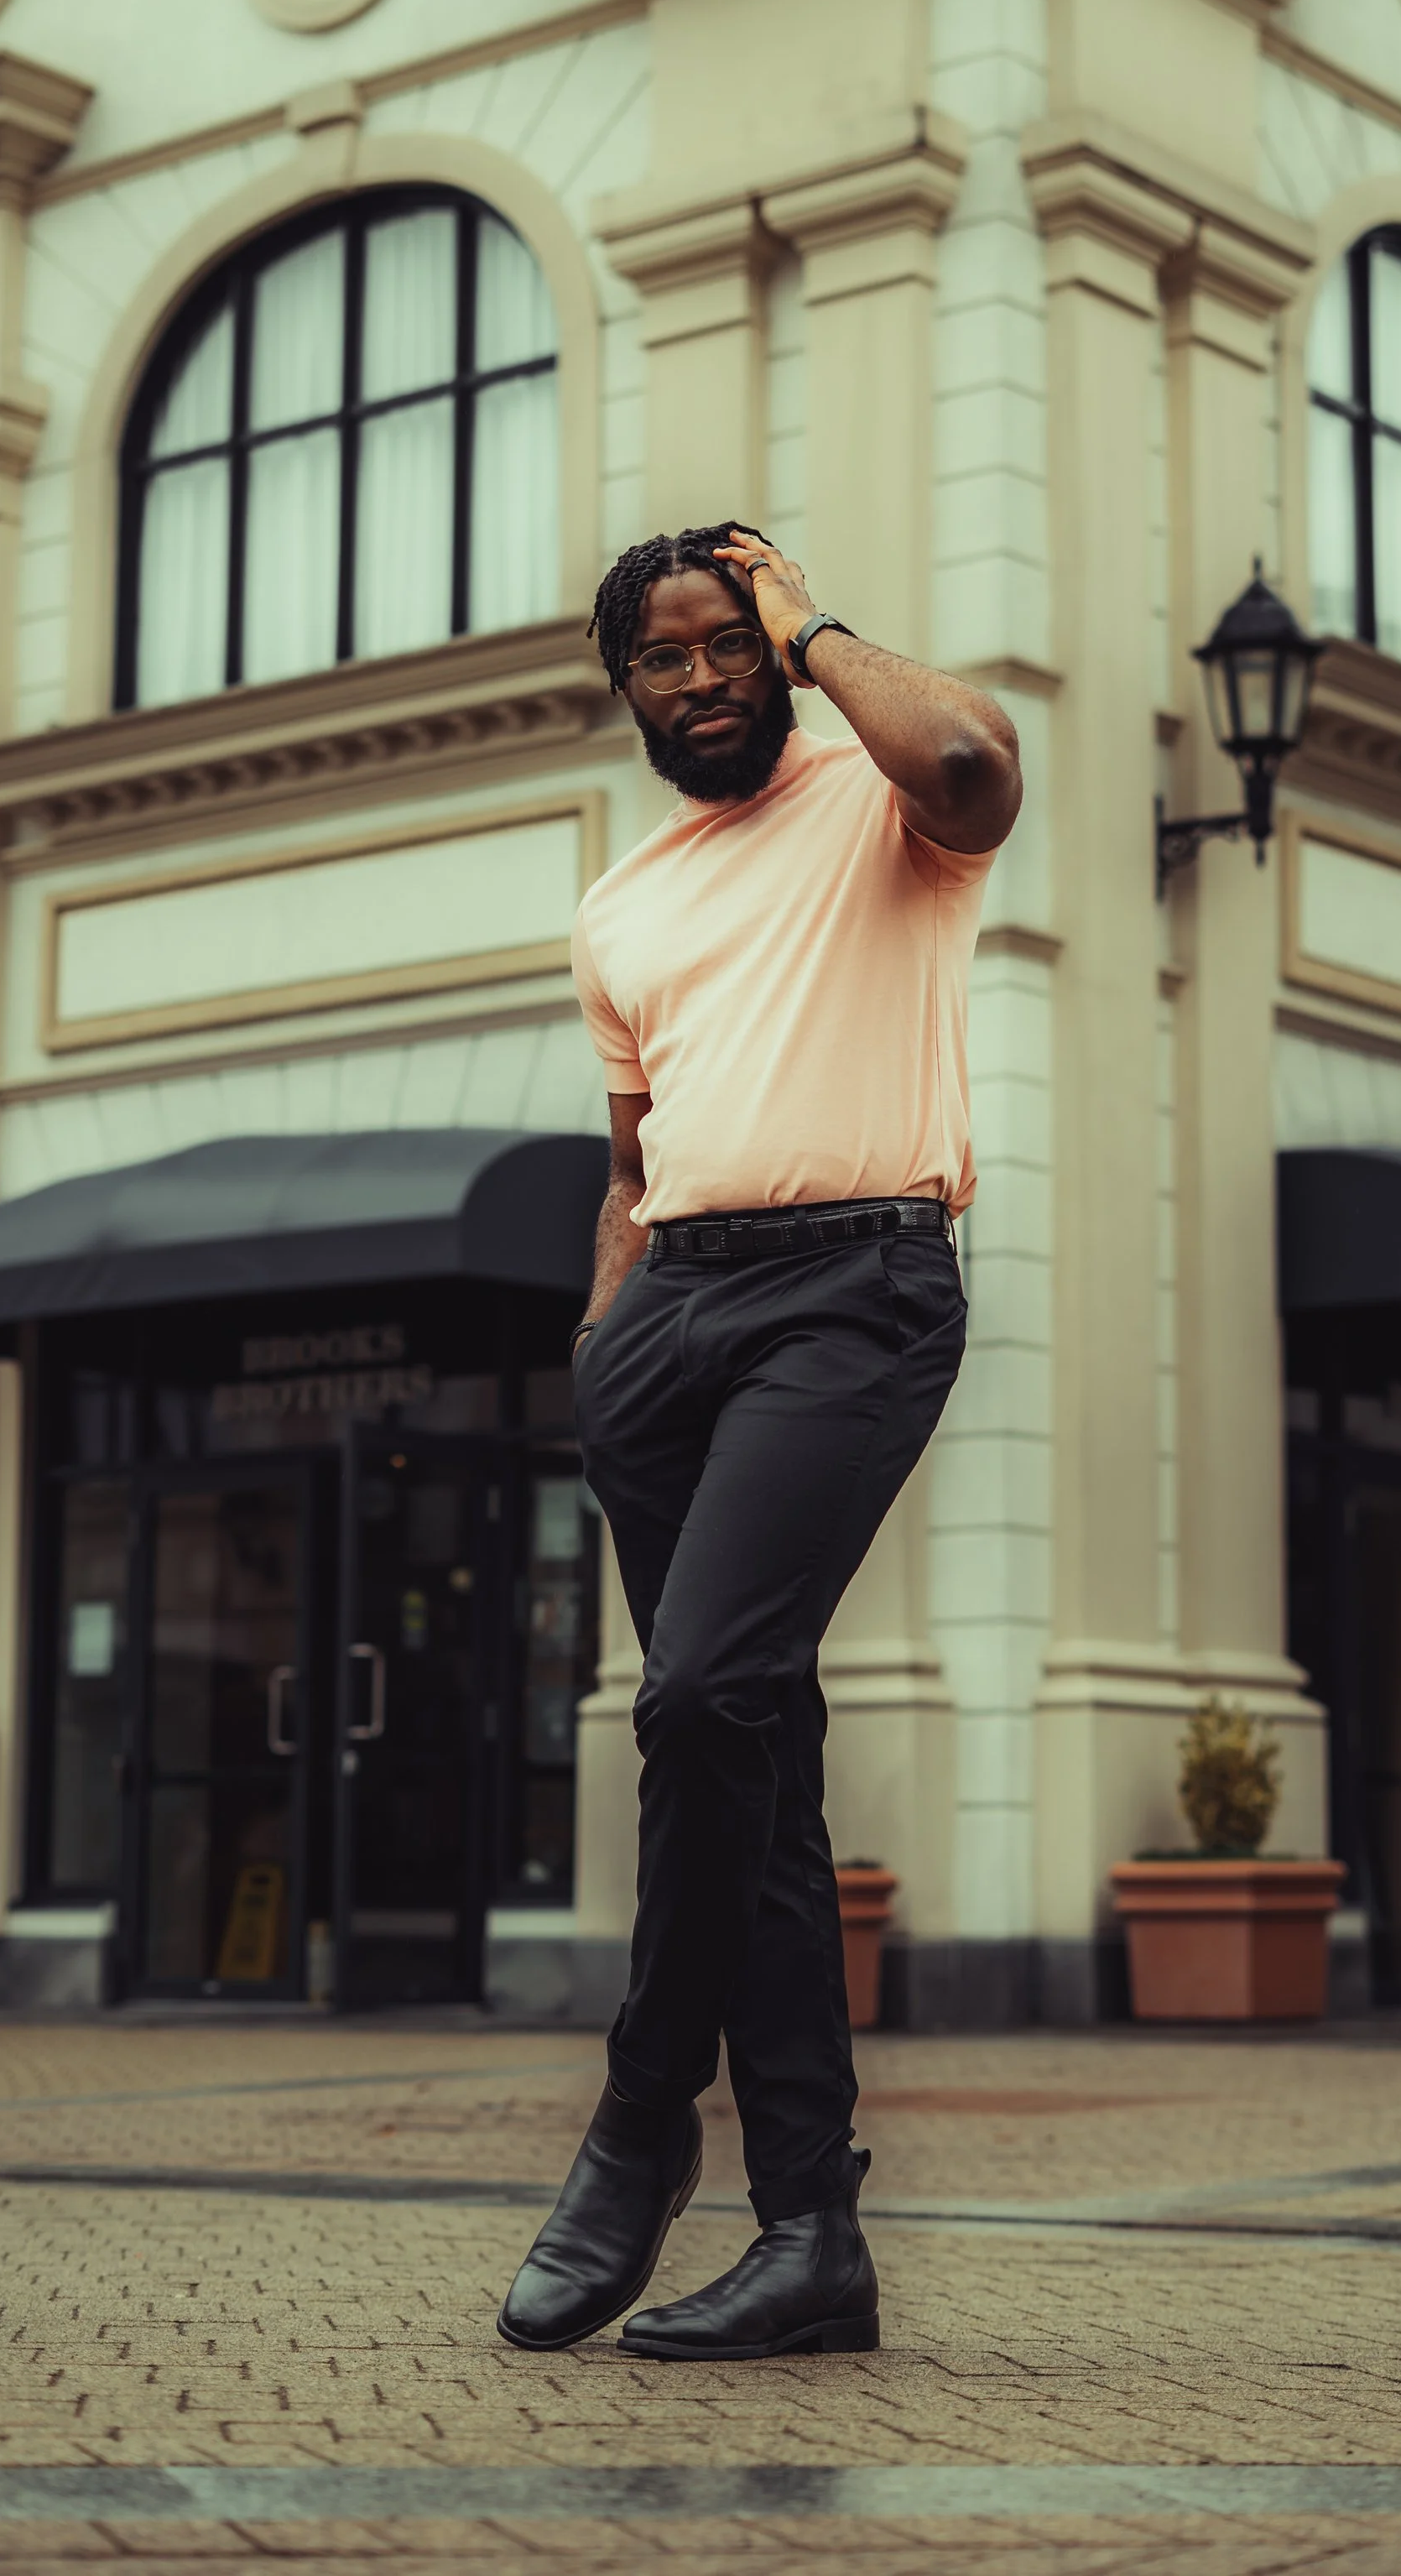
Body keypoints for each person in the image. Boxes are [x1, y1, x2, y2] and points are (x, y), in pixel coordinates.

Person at [497, 519, 1020, 2363]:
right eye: (667, 654)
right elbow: (632, 1160)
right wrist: (602, 1334)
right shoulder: (619, 906)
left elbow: (973, 759)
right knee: (751, 1758)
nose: (704, 676)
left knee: (703, 1695)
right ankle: (812, 2234)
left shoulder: (880, 799)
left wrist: (817, 629)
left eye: (730, 640)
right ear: (625, 685)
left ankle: (641, 2116)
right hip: (668, 1320)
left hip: (850, 1289)